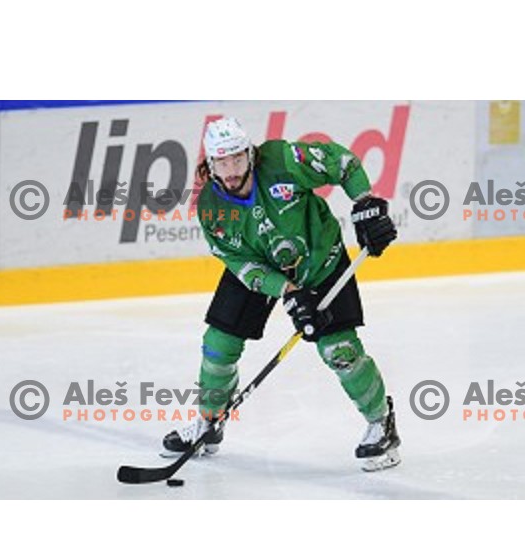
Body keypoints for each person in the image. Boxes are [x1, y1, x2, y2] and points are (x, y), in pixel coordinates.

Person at [162, 117, 401, 471]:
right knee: (218, 344)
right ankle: (209, 423)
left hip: (320, 261)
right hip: (262, 267)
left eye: (237, 160)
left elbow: (343, 162)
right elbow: (241, 264)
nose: (231, 171)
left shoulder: (284, 161)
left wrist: (364, 203)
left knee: (340, 350)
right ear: (210, 165)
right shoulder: (211, 208)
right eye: (222, 162)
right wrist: (288, 293)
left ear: (251, 154)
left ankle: (382, 424)